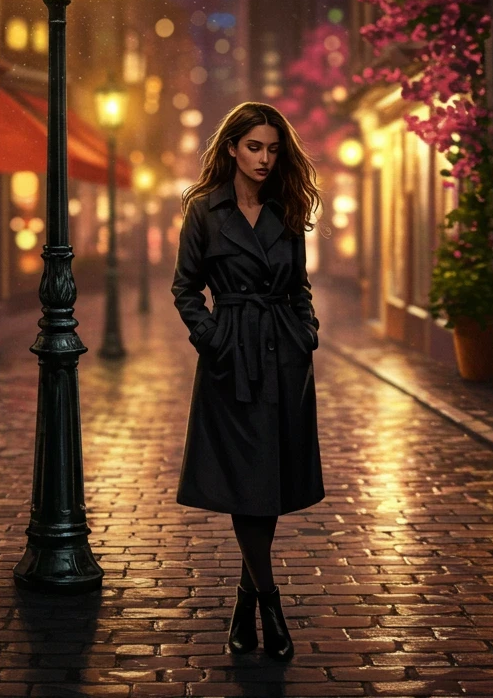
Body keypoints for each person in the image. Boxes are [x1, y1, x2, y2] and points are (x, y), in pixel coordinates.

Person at [171, 102, 325, 662]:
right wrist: (212, 338)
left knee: (267, 483)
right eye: (255, 147)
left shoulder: (287, 209)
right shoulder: (204, 212)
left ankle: (244, 602)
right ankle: (269, 602)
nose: (265, 158)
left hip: (284, 357)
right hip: (232, 358)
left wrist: (306, 331)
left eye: (273, 149)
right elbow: (186, 288)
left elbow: (300, 285)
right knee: (247, 480)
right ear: (233, 147)